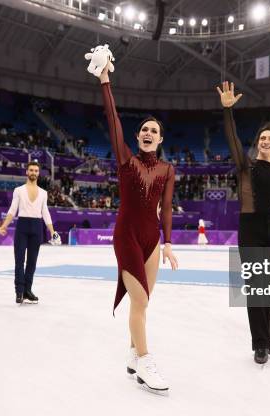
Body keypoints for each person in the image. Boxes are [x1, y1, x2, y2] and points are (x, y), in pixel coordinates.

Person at [96, 57, 178, 394]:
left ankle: (132, 353)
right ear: (138, 136)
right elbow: (113, 120)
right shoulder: (126, 160)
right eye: (144, 129)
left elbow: (167, 206)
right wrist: (105, 81)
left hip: (152, 240)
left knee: (141, 303)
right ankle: (144, 360)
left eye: (153, 131)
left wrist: (169, 243)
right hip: (126, 235)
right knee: (140, 302)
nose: (148, 133)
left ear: (160, 139)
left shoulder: (168, 170)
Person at [217, 81, 270, 365]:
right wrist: (228, 111)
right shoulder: (246, 165)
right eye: (262, 138)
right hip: (250, 230)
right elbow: (232, 140)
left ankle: (266, 337)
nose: (264, 141)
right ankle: (259, 344)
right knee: (256, 288)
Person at [0, 161, 59, 304]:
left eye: (36, 171)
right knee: (19, 260)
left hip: (37, 227)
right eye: (31, 170)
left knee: (32, 262)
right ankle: (19, 292)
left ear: (38, 173)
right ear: (27, 172)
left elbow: (45, 212)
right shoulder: (18, 190)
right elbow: (12, 210)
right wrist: (4, 225)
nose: (33, 173)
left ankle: (27, 290)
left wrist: (52, 231)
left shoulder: (44, 193)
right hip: (22, 226)